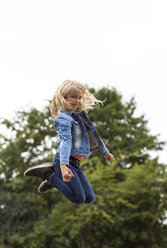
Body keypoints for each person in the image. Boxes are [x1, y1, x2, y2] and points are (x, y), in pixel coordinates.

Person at [24, 80, 115, 204]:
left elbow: (93, 135)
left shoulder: (80, 115)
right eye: (73, 97)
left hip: (75, 163)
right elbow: (65, 142)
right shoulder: (63, 119)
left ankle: (54, 180)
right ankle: (49, 175)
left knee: (89, 198)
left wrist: (105, 153)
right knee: (78, 198)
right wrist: (63, 166)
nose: (77, 101)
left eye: (79, 97)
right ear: (64, 97)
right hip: (64, 161)